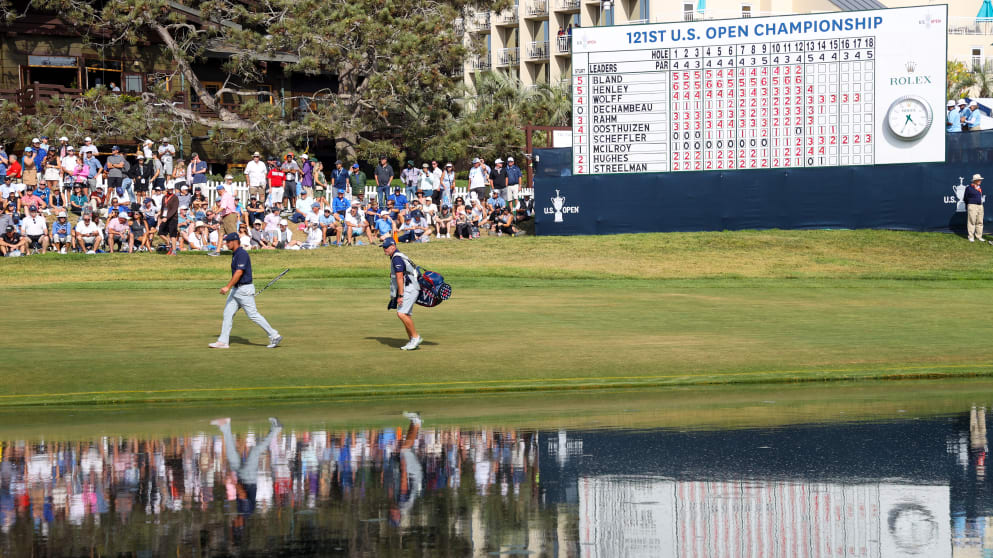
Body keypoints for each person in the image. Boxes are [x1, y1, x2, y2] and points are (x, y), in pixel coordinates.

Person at [209, 232, 282, 349]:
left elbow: (239, 272)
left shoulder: (242, 254)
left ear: (234, 241)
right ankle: (223, 341)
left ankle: (274, 335)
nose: (226, 244)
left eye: (228, 242)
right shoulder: (235, 254)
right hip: (237, 290)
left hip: (244, 290)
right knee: (227, 313)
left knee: (253, 315)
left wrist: (227, 287)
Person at [383, 237, 422, 350]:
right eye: (383, 247)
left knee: (401, 314)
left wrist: (400, 295)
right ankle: (412, 340)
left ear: (393, 246)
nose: (384, 249)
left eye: (386, 247)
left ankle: (415, 337)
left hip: (409, 288)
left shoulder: (397, 258)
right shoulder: (397, 256)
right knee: (406, 314)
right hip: (411, 287)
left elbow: (400, 277)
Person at [214, 178, 239, 256]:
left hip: (229, 216)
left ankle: (238, 251)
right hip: (225, 216)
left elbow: (223, 207)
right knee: (221, 234)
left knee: (233, 234)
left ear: (220, 190)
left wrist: (215, 212)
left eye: (218, 191)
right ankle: (217, 251)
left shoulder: (225, 196)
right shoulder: (227, 195)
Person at [158, 182, 180, 255]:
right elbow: (162, 208)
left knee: (172, 234)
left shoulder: (175, 198)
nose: (171, 190)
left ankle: (174, 251)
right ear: (167, 189)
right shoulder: (164, 197)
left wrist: (167, 218)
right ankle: (169, 242)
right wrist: (161, 216)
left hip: (173, 218)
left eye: (172, 189)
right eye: (169, 189)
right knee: (160, 232)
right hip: (165, 217)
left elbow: (174, 210)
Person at [966, 173, 985, 242]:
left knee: (980, 221)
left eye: (980, 180)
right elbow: (965, 198)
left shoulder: (979, 188)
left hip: (980, 206)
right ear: (975, 180)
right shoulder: (969, 188)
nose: (980, 181)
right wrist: (969, 205)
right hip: (972, 206)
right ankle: (971, 237)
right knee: (972, 221)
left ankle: (979, 236)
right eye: (979, 180)